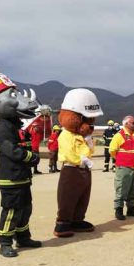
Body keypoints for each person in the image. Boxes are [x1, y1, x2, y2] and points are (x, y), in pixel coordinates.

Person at [0, 71, 41, 258]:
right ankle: (5, 241)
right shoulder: (2, 127)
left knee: (26, 208)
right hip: (10, 178)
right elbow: (12, 151)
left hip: (22, 177)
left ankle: (23, 236)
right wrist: (32, 157)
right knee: (11, 210)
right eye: (13, 95)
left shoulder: (14, 125)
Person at [54, 89, 103, 237]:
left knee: (83, 195)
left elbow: (90, 151)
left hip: (84, 169)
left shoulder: (82, 135)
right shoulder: (66, 134)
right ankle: (63, 222)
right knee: (68, 195)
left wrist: (88, 140)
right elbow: (69, 153)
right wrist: (82, 160)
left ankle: (77, 219)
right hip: (72, 169)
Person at [110, 115, 134, 220]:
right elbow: (112, 150)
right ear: (126, 124)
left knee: (133, 189)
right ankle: (118, 210)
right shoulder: (119, 136)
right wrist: (121, 160)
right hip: (124, 167)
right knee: (121, 188)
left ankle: (131, 209)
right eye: (133, 123)